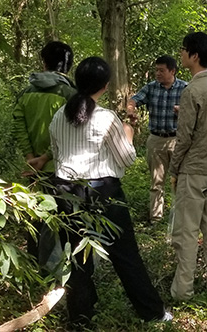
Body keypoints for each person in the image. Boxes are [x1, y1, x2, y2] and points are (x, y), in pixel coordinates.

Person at [49, 56, 171, 327]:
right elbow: (126, 158)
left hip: (66, 192)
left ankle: (80, 317)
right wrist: (128, 132)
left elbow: (56, 154)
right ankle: (152, 312)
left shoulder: (59, 115)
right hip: (103, 191)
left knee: (77, 255)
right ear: (105, 85)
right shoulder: (106, 118)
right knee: (125, 254)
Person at [167, 32, 207, 301]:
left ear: (194, 55)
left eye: (183, 50)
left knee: (187, 230)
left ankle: (183, 289)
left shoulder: (192, 89)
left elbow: (184, 138)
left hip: (193, 169)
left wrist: (174, 169)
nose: (181, 54)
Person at [12, 41, 76, 263]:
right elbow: (69, 129)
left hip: (34, 170)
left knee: (36, 218)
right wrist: (46, 157)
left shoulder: (25, 93)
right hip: (62, 168)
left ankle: (34, 267)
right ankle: (64, 270)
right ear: (69, 65)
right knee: (66, 220)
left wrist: (31, 158)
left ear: (44, 62)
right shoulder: (70, 93)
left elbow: (18, 125)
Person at [127, 55, 188, 223]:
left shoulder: (185, 88)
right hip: (156, 140)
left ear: (172, 71)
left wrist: (183, 111)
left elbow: (198, 111)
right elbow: (134, 100)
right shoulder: (151, 88)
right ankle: (156, 219)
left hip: (177, 140)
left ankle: (180, 219)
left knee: (180, 181)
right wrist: (131, 110)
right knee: (156, 182)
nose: (158, 74)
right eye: (156, 70)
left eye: (162, 70)